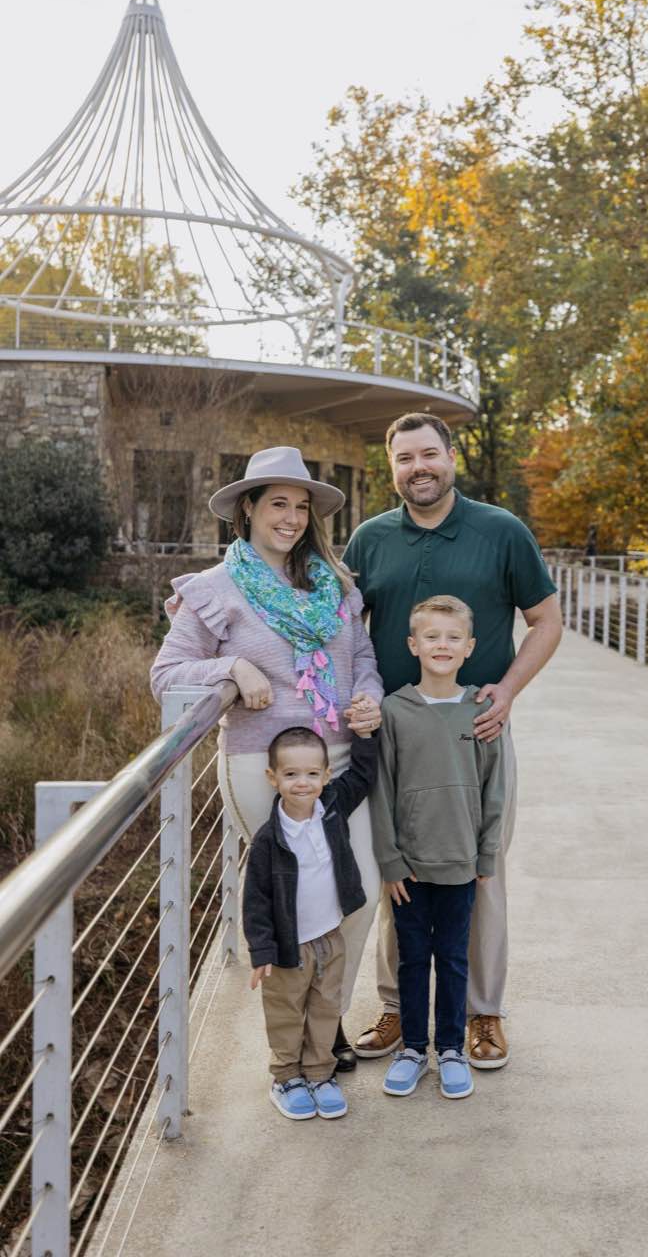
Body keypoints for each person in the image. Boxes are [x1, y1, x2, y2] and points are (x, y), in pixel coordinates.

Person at [150, 446, 383, 1070]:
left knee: (357, 892)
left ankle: (325, 1014)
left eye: (301, 506)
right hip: (265, 768)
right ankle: (303, 1044)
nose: (291, 517)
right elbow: (166, 675)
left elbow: (362, 660)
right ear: (247, 508)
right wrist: (232, 665)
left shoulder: (333, 585)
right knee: (298, 898)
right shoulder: (214, 590)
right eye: (277, 503)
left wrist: (366, 696)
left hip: (339, 762)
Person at [344, 413, 562, 1070]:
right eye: (404, 458)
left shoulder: (500, 531)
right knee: (396, 873)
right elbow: (337, 627)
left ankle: (482, 1014)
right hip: (395, 736)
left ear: (450, 458)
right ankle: (397, 1009)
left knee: (481, 871)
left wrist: (507, 689)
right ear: (392, 470)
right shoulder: (369, 540)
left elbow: (546, 621)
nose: (419, 467)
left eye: (428, 454)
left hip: (475, 732)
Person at [371, 596, 506, 1100]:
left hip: (461, 862)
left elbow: (496, 789)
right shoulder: (395, 709)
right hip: (407, 867)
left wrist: (486, 854)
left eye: (453, 638)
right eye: (432, 637)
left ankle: (450, 1049)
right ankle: (412, 1051)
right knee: (411, 958)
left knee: (452, 957)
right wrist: (389, 859)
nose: (442, 646)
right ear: (414, 645)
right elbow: (381, 790)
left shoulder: (483, 709)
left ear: (469, 647)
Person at [244, 723, 379, 1119]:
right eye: (290, 774)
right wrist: (262, 950)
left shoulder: (334, 806)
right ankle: (286, 1076)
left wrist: (366, 736)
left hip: (330, 937)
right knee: (286, 1012)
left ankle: (320, 1073)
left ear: (325, 775)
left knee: (325, 1008)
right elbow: (256, 900)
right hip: (289, 946)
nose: (302, 783)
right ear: (273, 778)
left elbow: (364, 775)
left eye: (311, 774)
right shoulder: (269, 839)